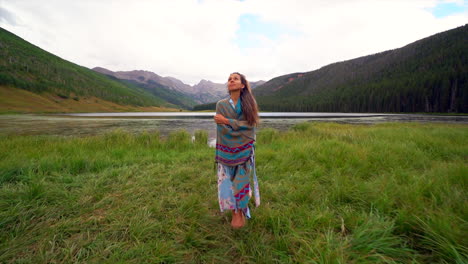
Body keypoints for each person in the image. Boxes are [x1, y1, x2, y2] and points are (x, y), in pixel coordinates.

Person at [213, 72, 260, 228]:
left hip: (245, 151)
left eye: (235, 78)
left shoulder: (249, 103)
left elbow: (250, 126)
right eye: (229, 79)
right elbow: (222, 130)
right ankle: (234, 211)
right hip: (225, 151)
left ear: (242, 85)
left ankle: (241, 210)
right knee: (226, 183)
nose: (231, 80)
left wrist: (227, 121)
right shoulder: (221, 104)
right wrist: (236, 127)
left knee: (241, 182)